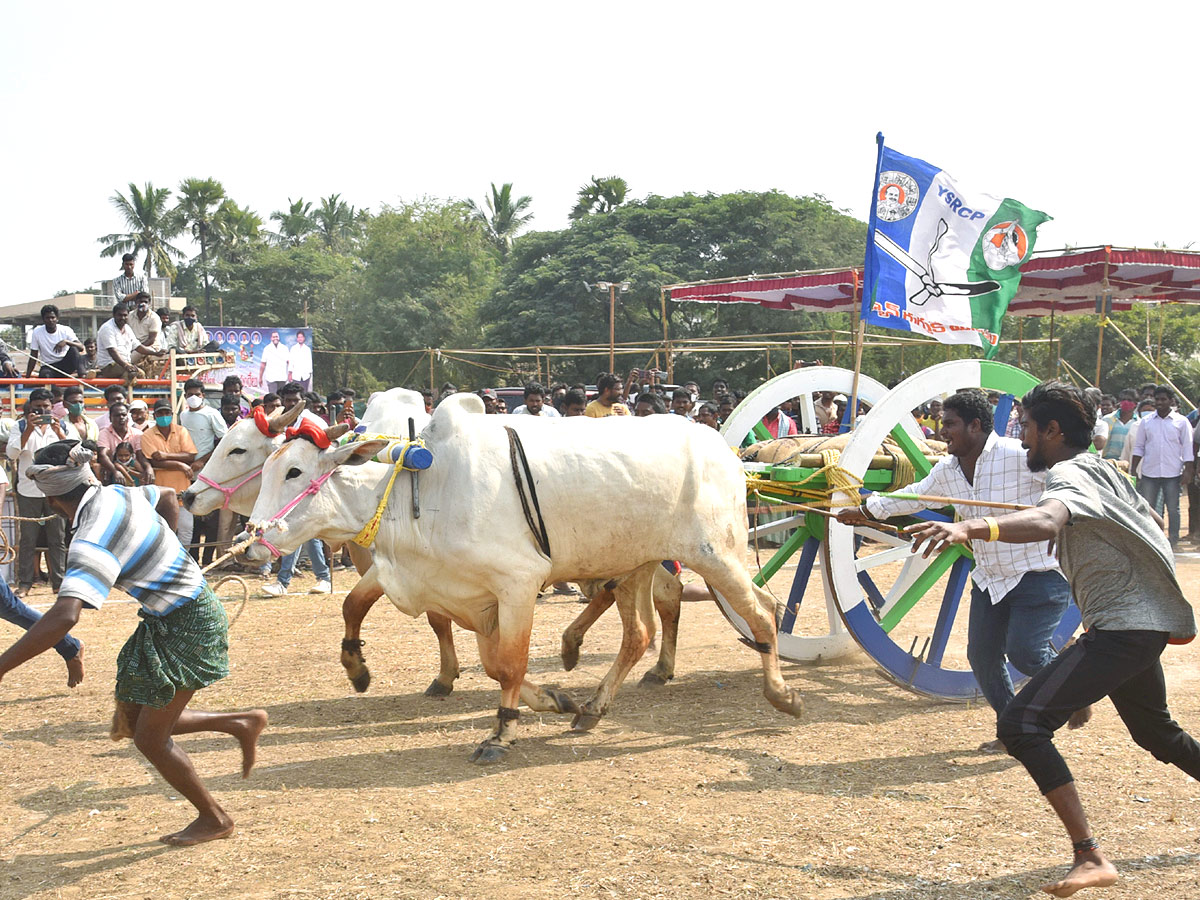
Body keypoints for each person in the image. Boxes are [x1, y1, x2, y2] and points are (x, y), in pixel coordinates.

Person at [907, 381, 1200, 898]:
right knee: (1157, 734)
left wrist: (971, 530)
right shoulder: (1107, 469)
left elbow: (1047, 519)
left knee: (1020, 724)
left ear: (1053, 430)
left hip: (1124, 626)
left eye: (1025, 427)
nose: (1020, 439)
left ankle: (1090, 856)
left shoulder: (1067, 473)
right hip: (1139, 624)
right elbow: (1151, 521)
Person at [0, 439, 268, 846]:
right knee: (131, 719)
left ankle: (215, 819)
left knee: (149, 738)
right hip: (170, 617)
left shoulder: (90, 537)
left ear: (53, 502)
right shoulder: (113, 493)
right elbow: (163, 495)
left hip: (186, 623)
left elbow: (64, 616)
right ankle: (240, 722)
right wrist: (174, 551)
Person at [839, 389, 1074, 751]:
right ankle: (1016, 731)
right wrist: (868, 510)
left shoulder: (1021, 457)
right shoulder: (948, 470)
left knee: (1027, 654)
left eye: (949, 424)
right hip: (991, 577)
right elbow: (915, 496)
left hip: (1036, 571)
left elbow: (1071, 486)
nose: (941, 430)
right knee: (982, 657)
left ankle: (1075, 687)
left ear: (976, 425)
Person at [261, 387, 331, 597]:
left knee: (294, 530)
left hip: (313, 484)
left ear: (303, 402)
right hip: (292, 484)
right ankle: (323, 577)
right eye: (288, 400)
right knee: (306, 534)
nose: (291, 404)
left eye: (295, 400)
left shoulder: (312, 422)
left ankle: (284, 582)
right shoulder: (281, 420)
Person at [7, 390, 71, 596]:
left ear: (52, 407)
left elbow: (74, 451)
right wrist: (28, 430)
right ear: (30, 407)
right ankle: (24, 584)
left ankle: (58, 583)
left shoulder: (62, 425)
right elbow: (12, 454)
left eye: (45, 407)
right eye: (37, 407)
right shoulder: (20, 426)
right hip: (29, 490)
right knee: (28, 539)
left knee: (57, 538)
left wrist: (60, 433)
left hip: (56, 489)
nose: (42, 411)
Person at [1131, 386, 1194, 548]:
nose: (1159, 402)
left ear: (1171, 401)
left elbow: (1188, 448)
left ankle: (1173, 540)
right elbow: (1139, 447)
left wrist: (1188, 470)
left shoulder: (1181, 422)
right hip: (1149, 472)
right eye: (1157, 399)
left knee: (1173, 509)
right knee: (1147, 508)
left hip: (1173, 472)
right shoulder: (1146, 422)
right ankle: (1151, 539)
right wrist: (1133, 470)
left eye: (1163, 399)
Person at [180, 380, 228, 566]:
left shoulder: (211, 414)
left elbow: (222, 441)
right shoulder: (183, 416)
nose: (193, 397)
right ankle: (193, 560)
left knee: (210, 518)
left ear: (203, 396)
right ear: (184, 396)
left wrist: (202, 461)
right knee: (191, 518)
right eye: (190, 394)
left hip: (207, 472)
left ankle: (208, 560)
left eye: (197, 394)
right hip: (187, 473)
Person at [140, 399, 198, 550]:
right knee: (164, 532)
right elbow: (154, 462)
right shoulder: (147, 435)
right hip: (161, 492)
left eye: (167, 413)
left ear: (172, 414)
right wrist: (179, 464)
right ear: (155, 415)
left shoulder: (181, 431)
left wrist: (165, 456)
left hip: (182, 490)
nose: (164, 416)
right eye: (160, 413)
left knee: (186, 530)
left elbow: (191, 456)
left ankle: (182, 561)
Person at [96, 400, 153, 486]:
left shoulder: (137, 434)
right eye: (117, 415)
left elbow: (140, 455)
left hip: (134, 470)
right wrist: (115, 471)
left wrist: (149, 468)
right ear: (110, 418)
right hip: (112, 473)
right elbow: (102, 455)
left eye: (124, 415)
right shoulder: (104, 433)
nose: (121, 417)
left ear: (128, 417)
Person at [26, 305, 87, 378]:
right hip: (49, 366)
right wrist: (27, 376)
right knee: (45, 375)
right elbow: (33, 356)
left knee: (74, 349)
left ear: (57, 319)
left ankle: (83, 376)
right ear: (43, 319)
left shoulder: (66, 330)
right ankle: (54, 387)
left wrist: (66, 342)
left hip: (65, 364)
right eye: (47, 318)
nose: (50, 320)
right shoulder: (37, 332)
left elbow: (81, 347)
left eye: (52, 317)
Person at [95, 303, 142, 381]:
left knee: (141, 374)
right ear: (114, 315)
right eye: (120, 315)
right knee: (132, 374)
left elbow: (137, 346)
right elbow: (112, 351)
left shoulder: (127, 328)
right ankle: (123, 392)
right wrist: (126, 366)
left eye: (125, 315)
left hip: (124, 364)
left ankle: (134, 393)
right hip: (109, 365)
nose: (122, 318)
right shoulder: (107, 328)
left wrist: (155, 352)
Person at [129, 295, 167, 370]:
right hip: (134, 346)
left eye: (145, 302)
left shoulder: (154, 318)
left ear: (149, 303)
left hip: (150, 346)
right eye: (140, 301)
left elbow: (151, 340)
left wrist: (136, 348)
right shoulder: (130, 316)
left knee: (128, 360)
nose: (143, 304)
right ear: (136, 303)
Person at [1100, 388, 1138, 461]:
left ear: (1135, 404)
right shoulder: (1107, 419)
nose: (1126, 402)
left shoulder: (1138, 424)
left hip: (1127, 462)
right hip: (1107, 461)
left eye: (1129, 400)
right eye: (1123, 400)